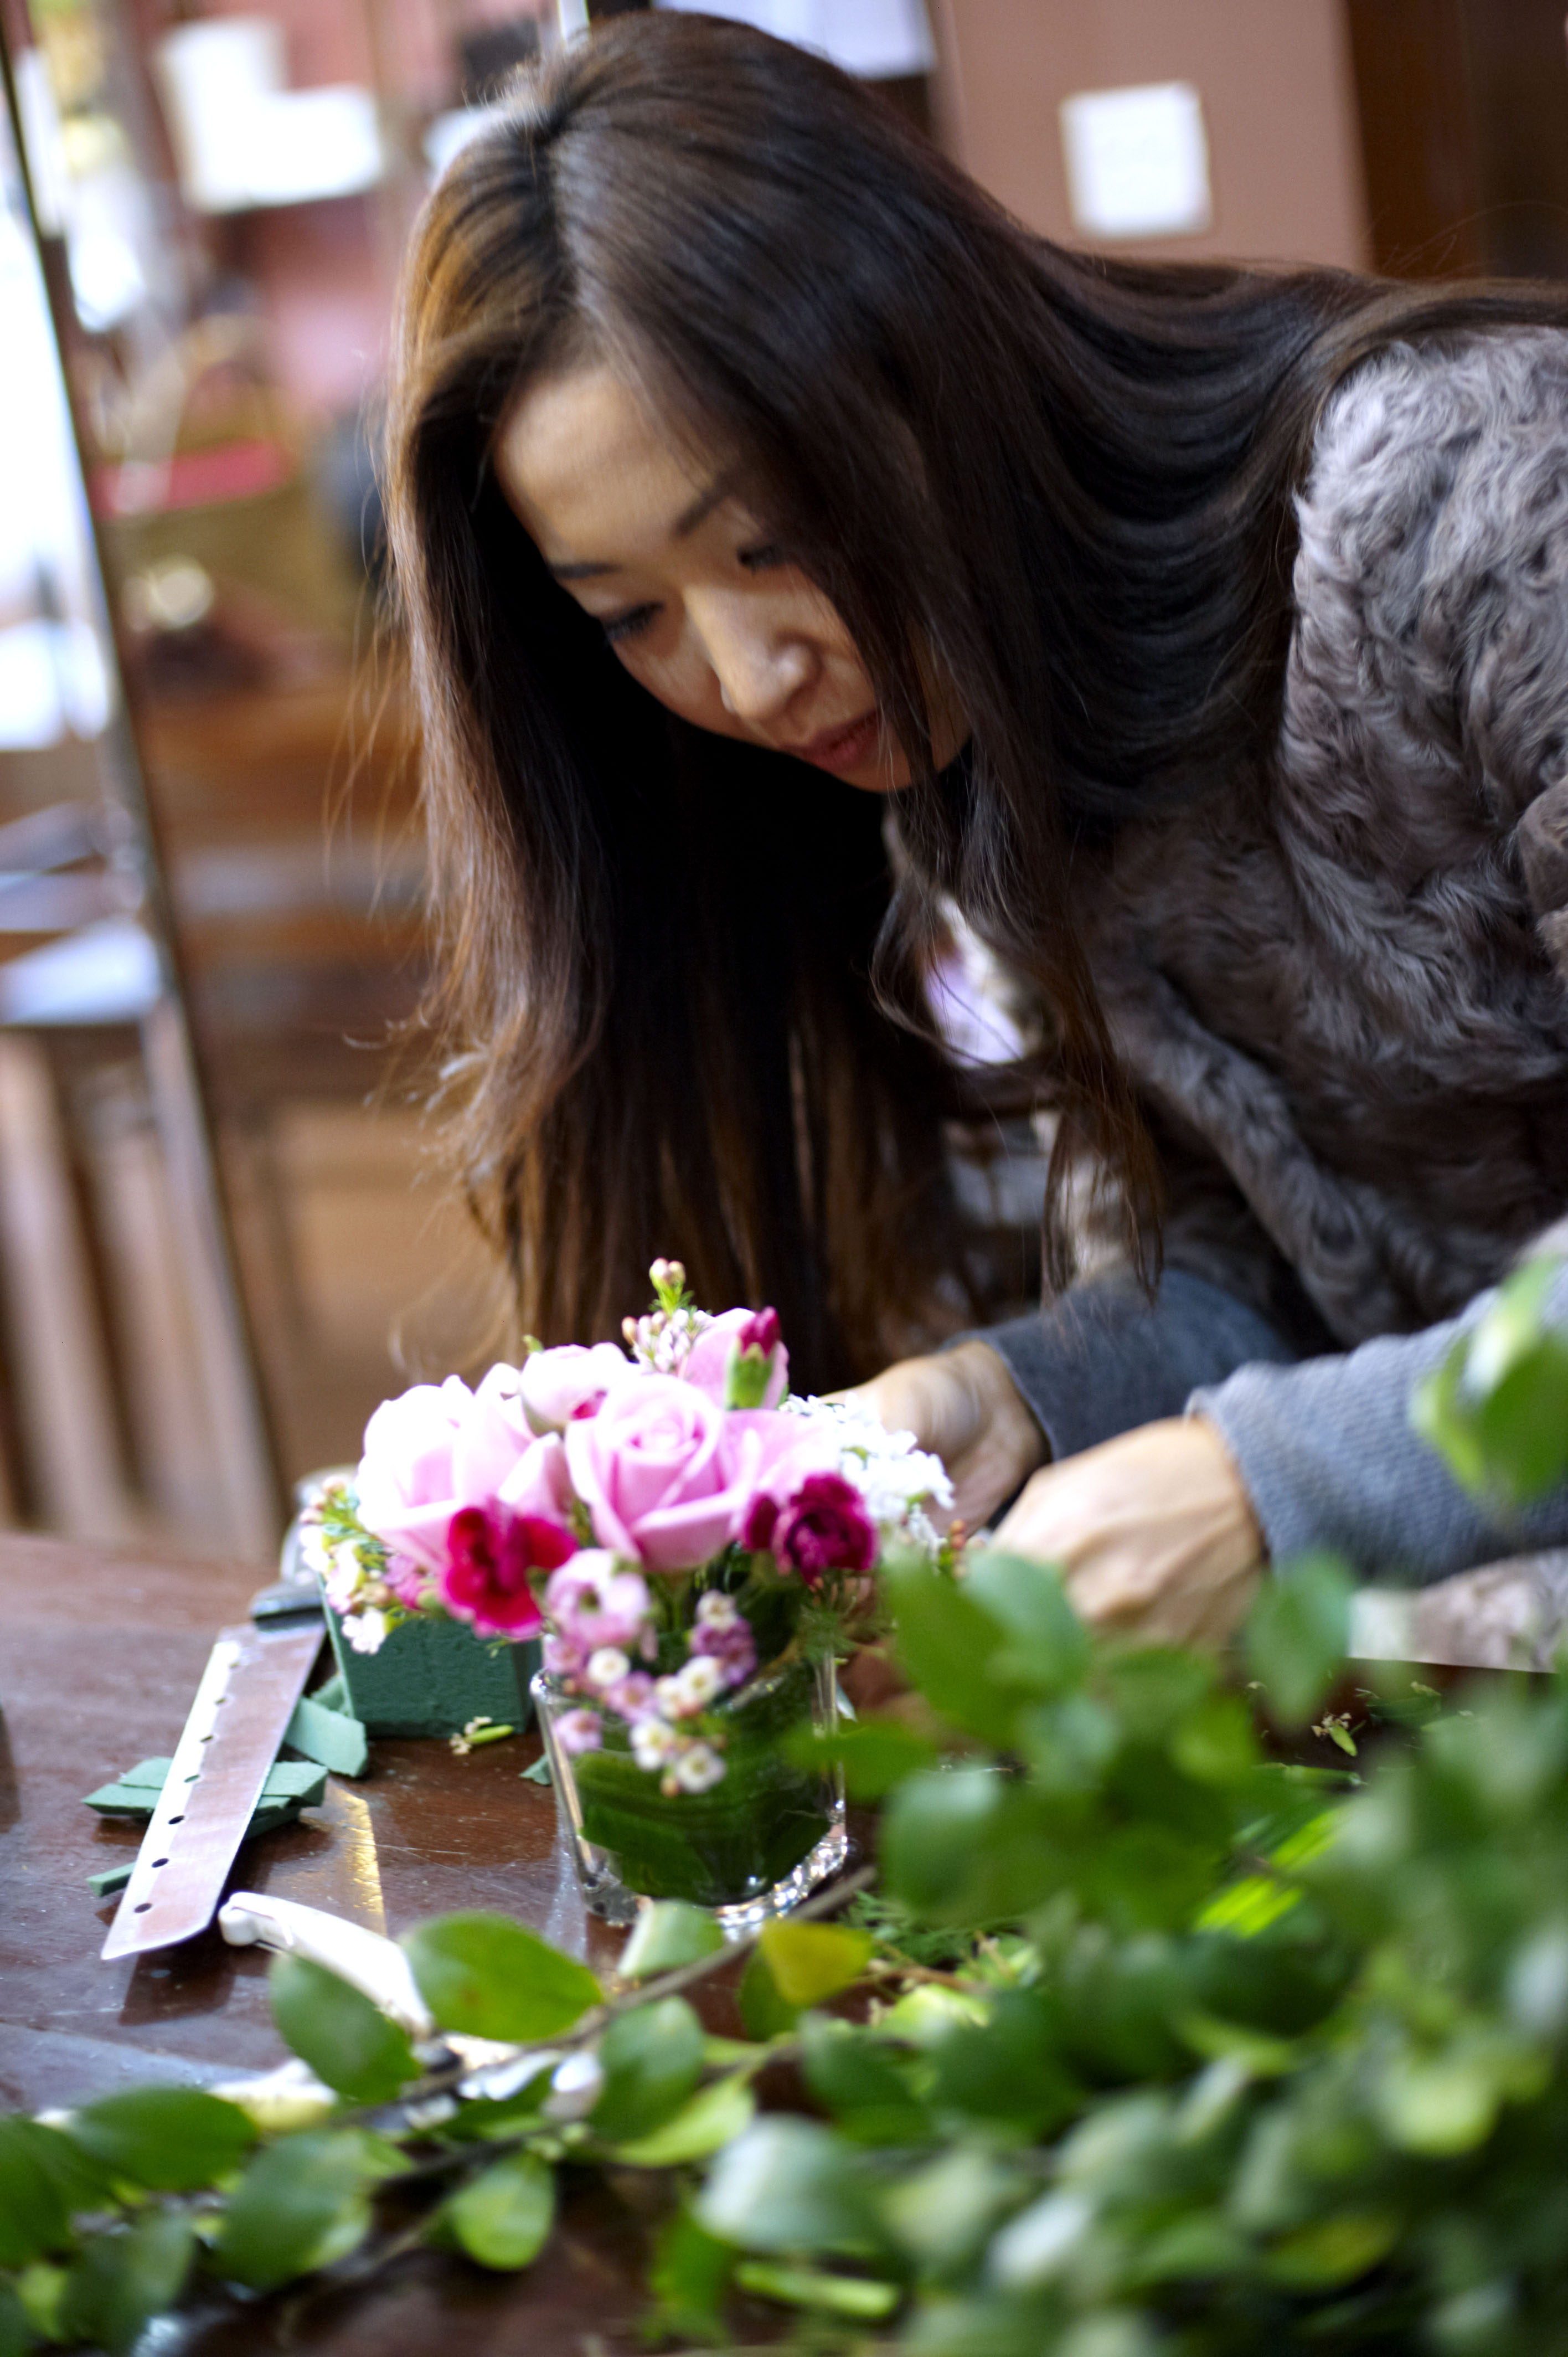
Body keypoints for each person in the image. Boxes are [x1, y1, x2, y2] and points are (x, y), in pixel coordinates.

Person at [383, 14, 1568, 1639]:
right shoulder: (960, 758)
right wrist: (1015, 1393)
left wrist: (1271, 1489)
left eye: (771, 542)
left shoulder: (1466, 499)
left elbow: (1320, 1414)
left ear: (931, 364)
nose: (749, 677)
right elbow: (1301, 1275)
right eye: (631, 616)